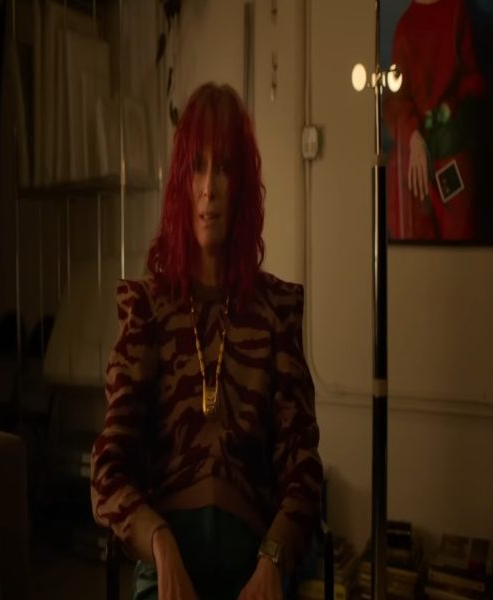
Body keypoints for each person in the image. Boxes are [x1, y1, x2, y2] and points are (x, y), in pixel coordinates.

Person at [91, 82, 323, 600]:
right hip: (166, 560)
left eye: (224, 168)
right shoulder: (148, 308)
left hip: (255, 563)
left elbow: (304, 470)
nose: (208, 189)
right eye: (197, 167)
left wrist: (273, 558)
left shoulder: (275, 311)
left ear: (242, 186)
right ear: (180, 182)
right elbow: (108, 470)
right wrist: (160, 544)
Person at [383, 0, 486, 242]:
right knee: (417, 246)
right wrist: (413, 137)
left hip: (452, 150)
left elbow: (473, 82)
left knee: (458, 243)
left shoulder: (455, 11)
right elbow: (396, 100)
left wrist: (449, 109)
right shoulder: (406, 27)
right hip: (415, 161)